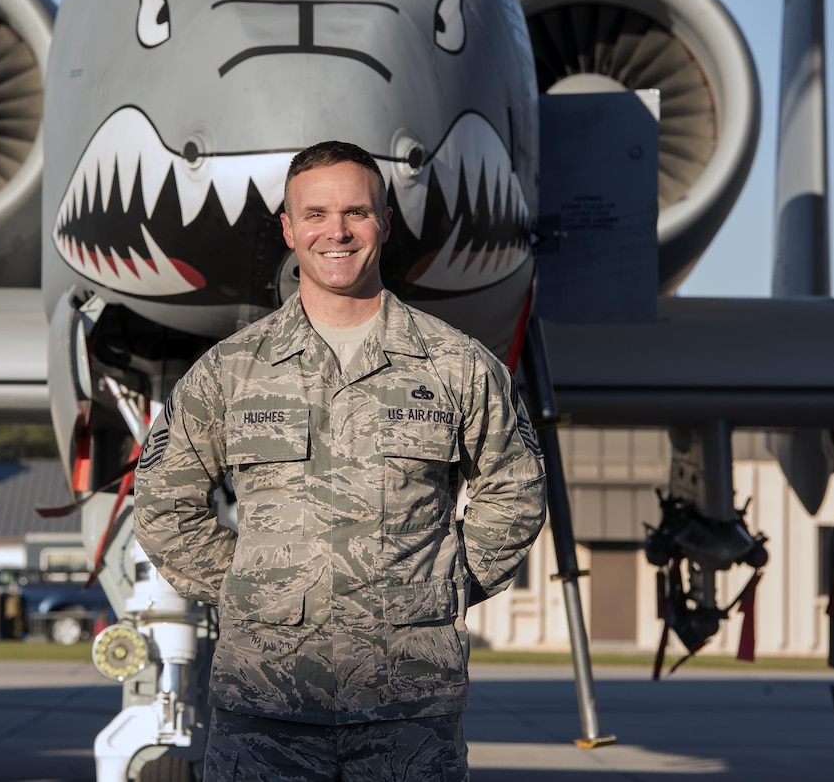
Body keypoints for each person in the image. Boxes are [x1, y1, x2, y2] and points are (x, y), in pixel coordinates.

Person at [133, 140, 547, 780]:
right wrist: (257, 591)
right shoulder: (230, 372)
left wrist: (436, 588)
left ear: (384, 220)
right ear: (289, 229)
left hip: (407, 715)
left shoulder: (457, 366)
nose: (337, 231)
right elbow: (164, 506)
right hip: (264, 715)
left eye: (356, 212)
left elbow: (515, 492)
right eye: (317, 214)